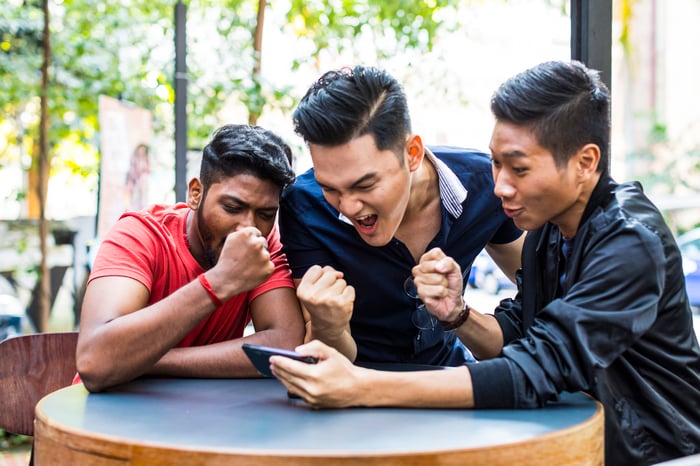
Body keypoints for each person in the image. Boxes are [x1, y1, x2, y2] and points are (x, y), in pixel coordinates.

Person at [270, 61, 700, 465]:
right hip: (585, 441)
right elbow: (522, 332)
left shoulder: (630, 241)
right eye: (495, 163)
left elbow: (538, 368)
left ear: (585, 162)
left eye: (518, 169)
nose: (498, 187)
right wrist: (458, 314)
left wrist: (361, 387)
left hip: (661, 454)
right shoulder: (550, 230)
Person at [278, 65, 524, 367]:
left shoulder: (483, 185)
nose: (348, 206)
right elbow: (325, 358)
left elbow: (540, 288)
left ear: (412, 153)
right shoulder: (304, 205)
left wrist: (461, 314)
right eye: (330, 188)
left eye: (365, 185)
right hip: (356, 390)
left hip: (452, 381)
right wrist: (328, 326)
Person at [76, 124, 305, 393]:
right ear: (196, 193)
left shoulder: (264, 244)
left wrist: (147, 360)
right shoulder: (140, 235)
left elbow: (285, 344)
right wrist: (219, 283)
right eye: (232, 208)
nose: (249, 227)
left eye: (266, 214)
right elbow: (95, 363)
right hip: (106, 417)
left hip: (201, 417)